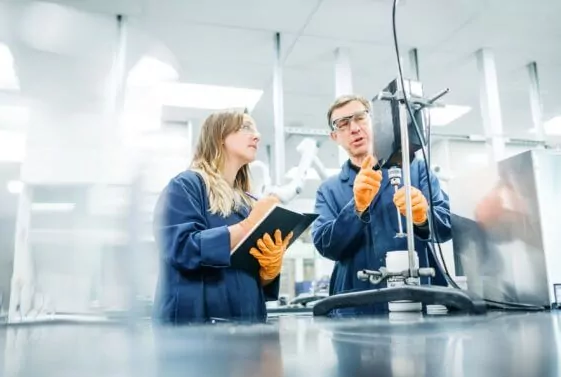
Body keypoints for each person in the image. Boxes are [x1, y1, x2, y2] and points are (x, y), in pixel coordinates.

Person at [311, 94, 452, 316]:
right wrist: (356, 208)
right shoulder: (329, 190)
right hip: (355, 307)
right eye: (343, 124)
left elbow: (445, 228)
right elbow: (326, 246)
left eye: (360, 118)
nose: (354, 128)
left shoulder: (416, 170)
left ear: (374, 122)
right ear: (335, 136)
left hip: (418, 298)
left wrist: (423, 218)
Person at [152, 110, 293, 325]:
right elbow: (180, 248)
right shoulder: (186, 186)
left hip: (247, 327)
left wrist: (268, 271)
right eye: (246, 127)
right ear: (220, 136)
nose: (257, 136)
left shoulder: (247, 202)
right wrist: (248, 227)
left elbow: (246, 273)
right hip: (194, 331)